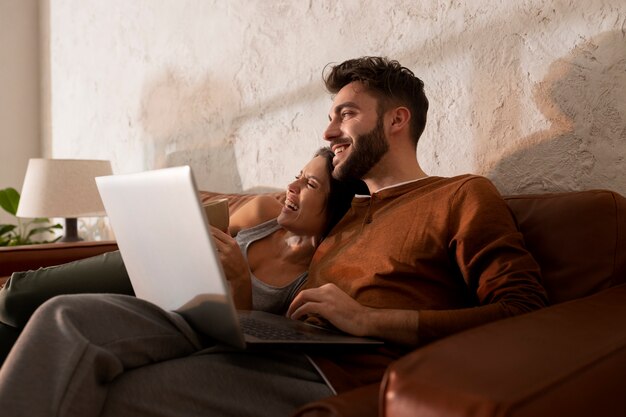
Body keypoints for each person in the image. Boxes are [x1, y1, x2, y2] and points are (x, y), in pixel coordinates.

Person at [0, 57, 548, 416]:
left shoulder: (462, 195)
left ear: (397, 120)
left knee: (123, 398)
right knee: (64, 316)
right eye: (331, 117)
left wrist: (369, 320)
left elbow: (524, 311)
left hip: (338, 368)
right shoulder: (348, 213)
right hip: (271, 336)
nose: (330, 131)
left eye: (347, 114)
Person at [0, 147, 366, 364]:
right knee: (17, 295)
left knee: (43, 323)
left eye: (310, 184)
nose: (292, 186)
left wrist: (239, 278)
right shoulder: (261, 214)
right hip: (153, 267)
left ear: (335, 208)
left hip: (181, 319)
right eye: (298, 175)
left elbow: (243, 335)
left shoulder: (311, 277)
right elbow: (200, 227)